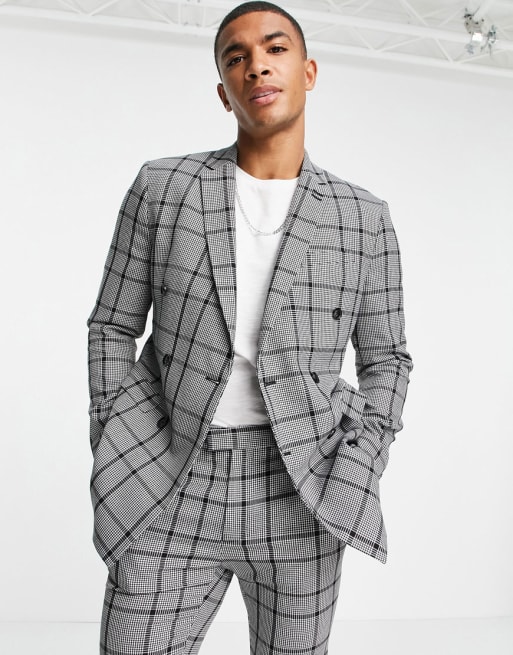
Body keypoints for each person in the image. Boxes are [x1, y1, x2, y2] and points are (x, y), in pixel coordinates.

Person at [87, 2, 413, 653]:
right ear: (223, 91)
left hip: (303, 485)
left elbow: (387, 361)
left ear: (308, 71)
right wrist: (117, 431)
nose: (256, 65)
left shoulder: (363, 216)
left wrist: (357, 464)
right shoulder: (163, 188)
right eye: (235, 57)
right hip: (171, 475)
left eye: (274, 48)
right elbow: (111, 326)